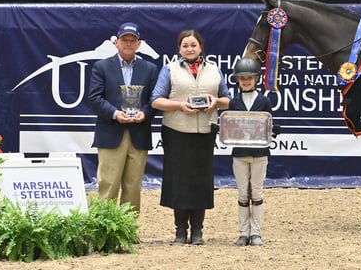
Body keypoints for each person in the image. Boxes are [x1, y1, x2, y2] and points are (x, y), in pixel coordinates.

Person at [150, 29, 230, 245]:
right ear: (179, 49)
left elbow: (228, 100)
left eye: (193, 45)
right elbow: (156, 100)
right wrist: (180, 106)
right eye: (185, 45)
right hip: (176, 132)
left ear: (201, 47)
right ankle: (179, 231)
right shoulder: (169, 69)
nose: (189, 49)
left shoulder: (214, 70)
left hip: (204, 132)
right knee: (179, 182)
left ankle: (197, 231)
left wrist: (215, 101)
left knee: (200, 182)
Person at [87, 22, 159, 213]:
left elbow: (154, 99)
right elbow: (94, 98)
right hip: (111, 132)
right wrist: (114, 113)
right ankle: (103, 229)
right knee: (108, 183)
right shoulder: (101, 67)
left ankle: (128, 229)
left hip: (139, 133)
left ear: (139, 44)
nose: (128, 44)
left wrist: (145, 113)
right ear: (116, 42)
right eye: (124, 40)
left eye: (132, 40)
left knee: (133, 185)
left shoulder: (150, 69)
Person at [227, 58, 274, 247]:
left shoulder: (264, 101)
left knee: (257, 191)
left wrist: (273, 129)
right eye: (242, 78)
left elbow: (268, 123)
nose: (246, 81)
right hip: (239, 152)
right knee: (242, 193)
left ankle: (256, 232)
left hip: (259, 152)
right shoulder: (234, 102)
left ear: (256, 79)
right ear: (237, 80)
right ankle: (243, 232)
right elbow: (231, 125)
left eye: (249, 78)